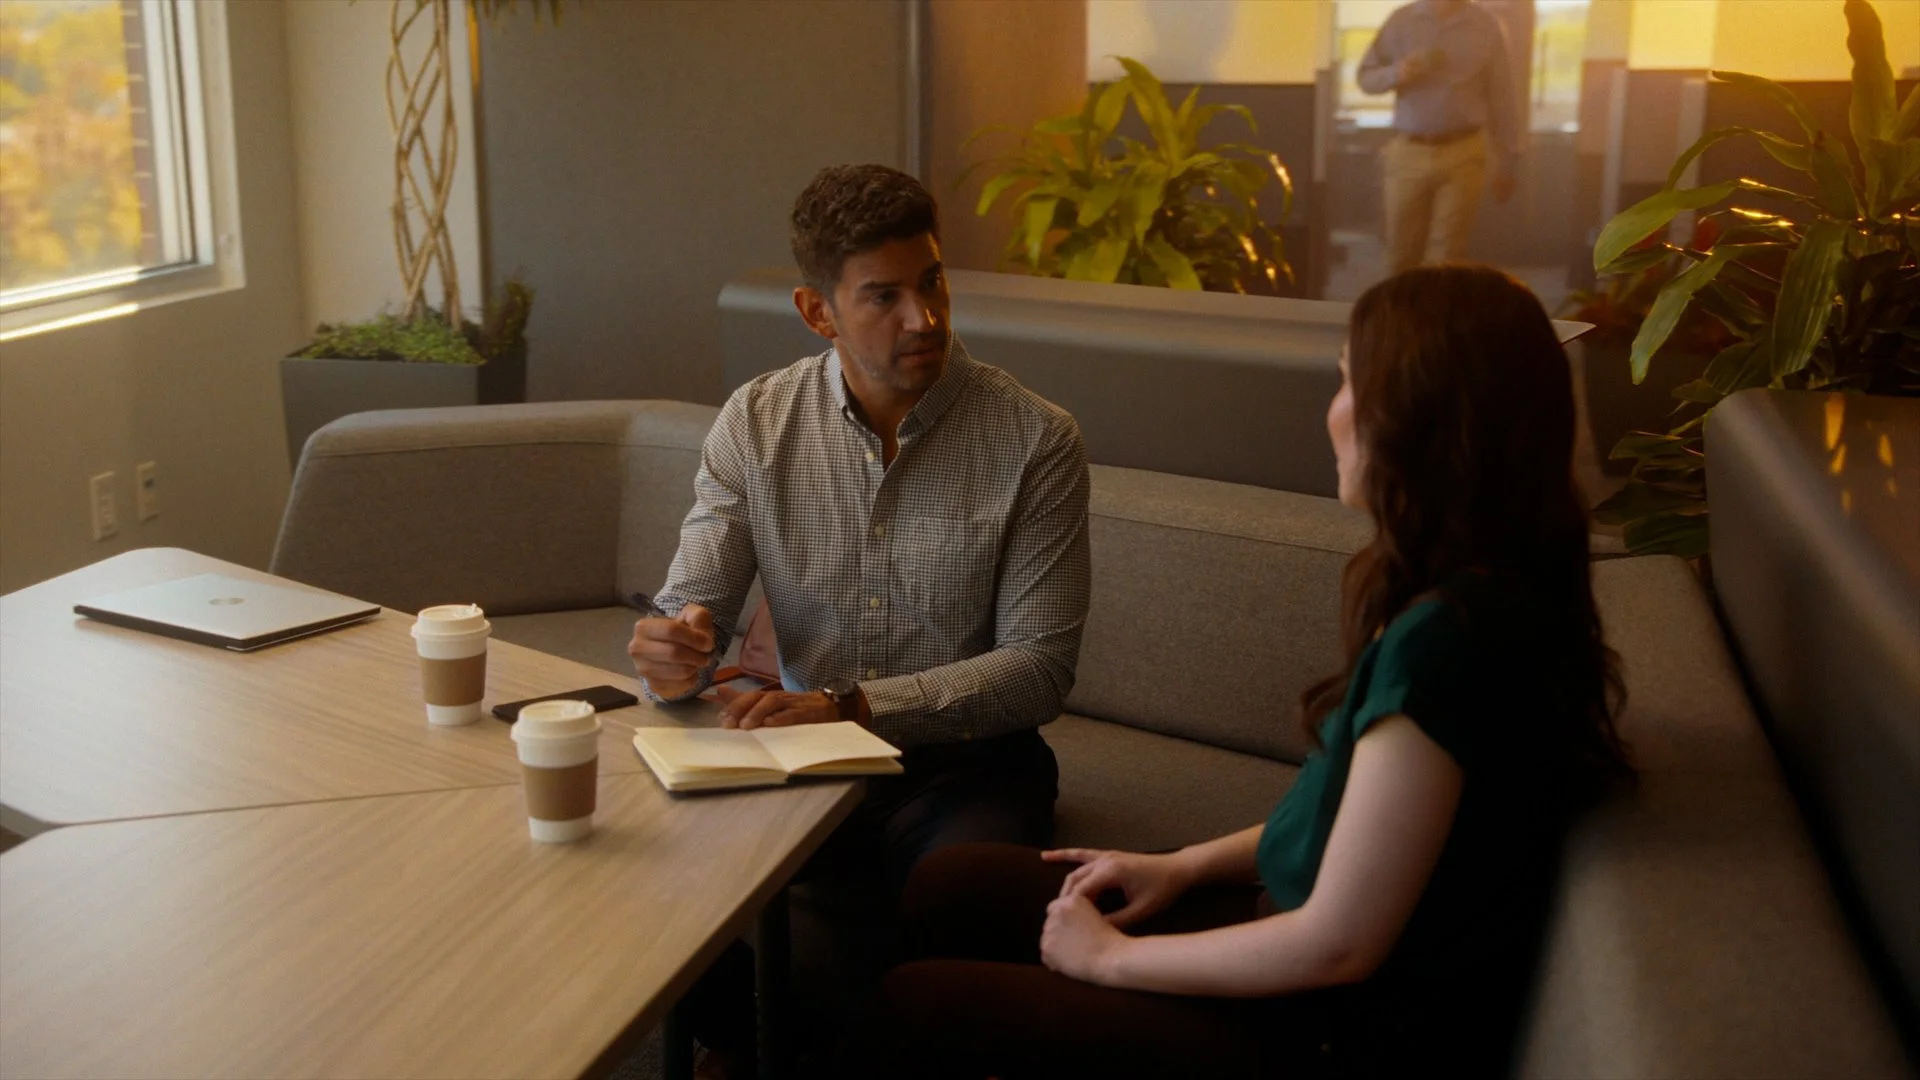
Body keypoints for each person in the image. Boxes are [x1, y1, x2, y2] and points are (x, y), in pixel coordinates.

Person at [848, 264, 1633, 1079]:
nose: (1333, 410)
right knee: (952, 885)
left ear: (1423, 419)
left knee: (912, 1006)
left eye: (1349, 382)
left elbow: (1338, 944)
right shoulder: (1477, 589)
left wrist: (1109, 960)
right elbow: (1350, 820)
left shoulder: (1450, 646)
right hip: (1299, 944)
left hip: (1326, 1029)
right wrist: (1180, 866)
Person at [627, 163, 1091, 1071]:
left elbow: (1040, 669)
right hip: (801, 756)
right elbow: (694, 605)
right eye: (884, 296)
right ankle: (797, 1051)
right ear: (818, 311)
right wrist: (675, 648)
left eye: (933, 282)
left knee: (961, 906)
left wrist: (854, 706)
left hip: (968, 766)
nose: (924, 318)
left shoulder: (1036, 439)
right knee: (627, 868)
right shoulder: (756, 423)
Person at [1358, 0, 1521, 275]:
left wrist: (1508, 159)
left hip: (1464, 152)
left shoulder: (1486, 26)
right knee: (1400, 253)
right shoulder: (1401, 21)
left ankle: (1436, 305)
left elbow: (1503, 97)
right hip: (1409, 152)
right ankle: (1401, 305)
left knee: (1447, 257)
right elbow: (1365, 78)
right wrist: (1396, 73)